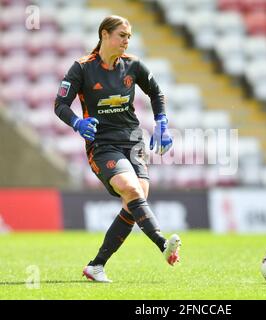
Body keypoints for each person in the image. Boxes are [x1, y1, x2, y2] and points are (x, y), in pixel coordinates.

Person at [54, 15, 181, 283]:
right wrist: (77, 122)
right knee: (132, 191)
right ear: (104, 35)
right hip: (102, 144)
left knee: (135, 202)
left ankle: (96, 266)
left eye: (129, 37)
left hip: (132, 140)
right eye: (122, 35)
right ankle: (162, 243)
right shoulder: (82, 68)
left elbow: (156, 93)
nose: (126, 41)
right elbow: (60, 104)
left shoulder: (133, 65)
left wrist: (162, 123)